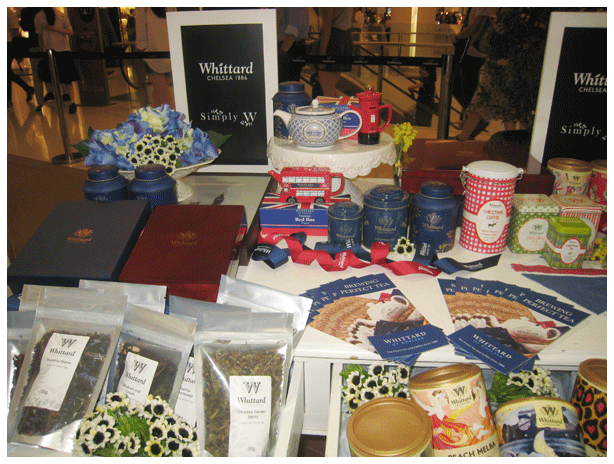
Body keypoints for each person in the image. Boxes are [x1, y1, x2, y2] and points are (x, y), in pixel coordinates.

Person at [455, 8, 532, 141]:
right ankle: (515, 141)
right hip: (500, 67)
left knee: (502, 105)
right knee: (507, 106)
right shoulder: (509, 15)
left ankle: (464, 138)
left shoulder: (507, 16)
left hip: (502, 68)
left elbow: (511, 38)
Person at [451, 7, 493, 131]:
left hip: (474, 51)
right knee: (459, 87)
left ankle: (476, 119)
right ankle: (474, 120)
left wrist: (458, 37)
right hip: (470, 51)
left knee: (467, 90)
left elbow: (475, 26)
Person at [34, 7, 79, 113]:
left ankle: (66, 101)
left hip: (51, 50)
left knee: (56, 79)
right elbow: (70, 31)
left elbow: (40, 37)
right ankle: (71, 101)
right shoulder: (59, 15)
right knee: (66, 80)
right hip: (62, 50)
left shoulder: (40, 16)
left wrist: (51, 29)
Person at [136, 7, 174, 108]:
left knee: (163, 96)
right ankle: (158, 116)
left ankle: (165, 117)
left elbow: (140, 28)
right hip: (169, 52)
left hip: (152, 53)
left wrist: (142, 47)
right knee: (160, 94)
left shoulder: (143, 8)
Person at [316, 7, 354, 97]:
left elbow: (327, 25)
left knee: (327, 92)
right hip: (345, 37)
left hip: (332, 40)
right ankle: (350, 104)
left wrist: (322, 53)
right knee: (331, 89)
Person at [8, 7, 35, 107]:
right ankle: (27, 88)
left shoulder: (9, 12)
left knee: (6, 71)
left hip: (9, 43)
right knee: (7, 71)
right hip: (8, 43)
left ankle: (9, 98)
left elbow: (15, 31)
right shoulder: (8, 12)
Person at [276, 7, 310, 83]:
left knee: (287, 85)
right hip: (289, 46)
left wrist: (282, 53)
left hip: (289, 47)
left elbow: (294, 27)